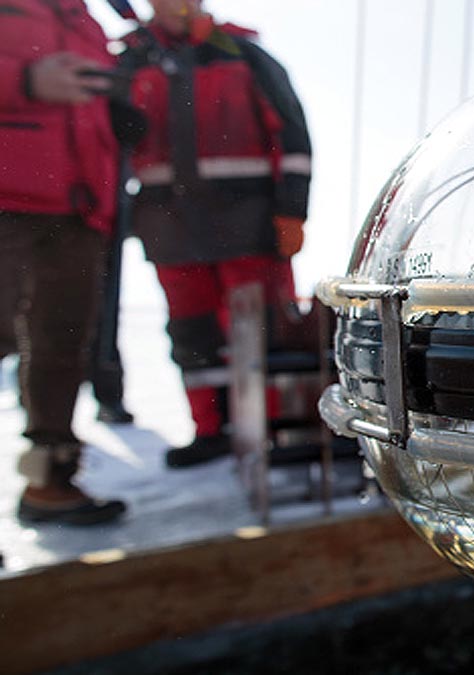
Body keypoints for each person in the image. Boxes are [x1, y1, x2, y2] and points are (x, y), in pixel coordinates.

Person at [119, 0, 312, 467]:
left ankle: (274, 428)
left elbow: (292, 136)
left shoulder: (243, 54)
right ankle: (212, 431)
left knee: (261, 329)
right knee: (192, 333)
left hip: (248, 222)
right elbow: (107, 140)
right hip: (169, 227)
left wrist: (292, 211)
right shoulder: (130, 62)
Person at [0, 0, 128, 525]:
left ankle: (49, 482)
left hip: (77, 210)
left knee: (61, 347)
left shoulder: (87, 21)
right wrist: (25, 80)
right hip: (8, 202)